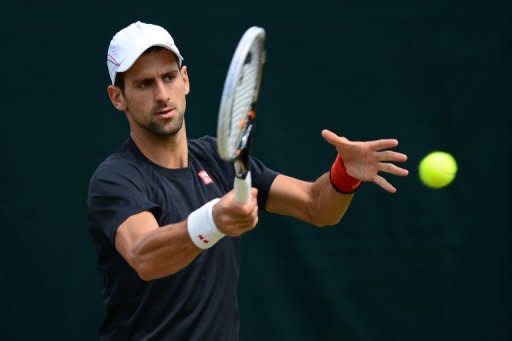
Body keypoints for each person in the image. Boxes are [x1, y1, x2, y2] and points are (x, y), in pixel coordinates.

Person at [87, 21, 409, 340]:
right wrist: (214, 221)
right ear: (118, 97)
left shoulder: (218, 158)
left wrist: (345, 173)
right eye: (144, 84)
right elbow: (145, 256)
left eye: (169, 77)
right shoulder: (116, 179)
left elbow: (317, 206)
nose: (161, 95)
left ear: (184, 80)